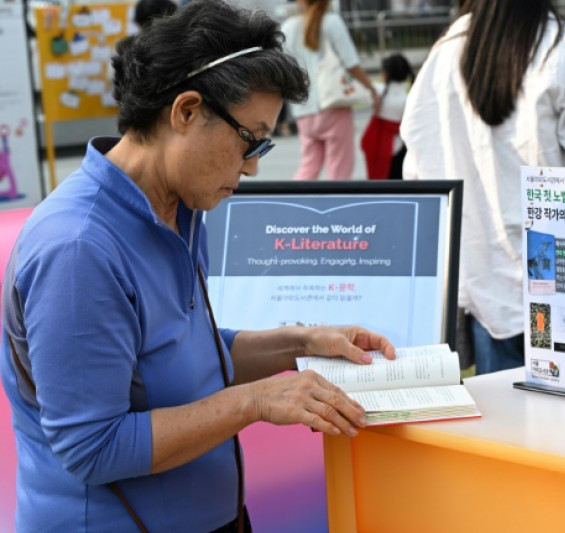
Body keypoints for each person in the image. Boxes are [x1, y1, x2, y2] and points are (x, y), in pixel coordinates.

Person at [0, 1, 396, 530]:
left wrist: (301, 344)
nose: (254, 165)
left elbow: (187, 356)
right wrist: (255, 402)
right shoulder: (78, 249)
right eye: (248, 139)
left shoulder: (181, 208)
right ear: (185, 111)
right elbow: (92, 447)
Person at [401, 0, 565, 374]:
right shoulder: (562, 43)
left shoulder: (447, 49)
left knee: (504, 422)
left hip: (485, 282)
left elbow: (419, 164)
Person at [281, 0, 380, 180]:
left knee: (308, 166)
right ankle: (337, 206)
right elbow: (351, 63)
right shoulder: (332, 22)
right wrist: (371, 89)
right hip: (333, 105)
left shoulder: (288, 26)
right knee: (340, 170)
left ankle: (296, 203)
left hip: (303, 108)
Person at [360, 53, 413, 179]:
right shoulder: (408, 99)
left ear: (386, 73)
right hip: (401, 150)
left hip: (376, 146)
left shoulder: (377, 92)